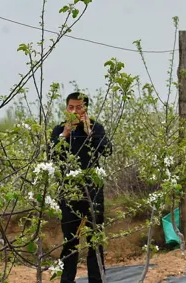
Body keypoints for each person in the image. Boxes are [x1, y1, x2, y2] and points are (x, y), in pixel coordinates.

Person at [48, 92, 113, 283]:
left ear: (85, 110)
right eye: (71, 108)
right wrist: (64, 136)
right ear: (66, 109)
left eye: (79, 108)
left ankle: (97, 279)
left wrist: (90, 133)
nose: (74, 112)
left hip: (92, 192)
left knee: (95, 239)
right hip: (69, 193)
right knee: (70, 240)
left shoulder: (95, 127)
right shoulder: (59, 130)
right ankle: (67, 280)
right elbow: (51, 156)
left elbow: (107, 151)